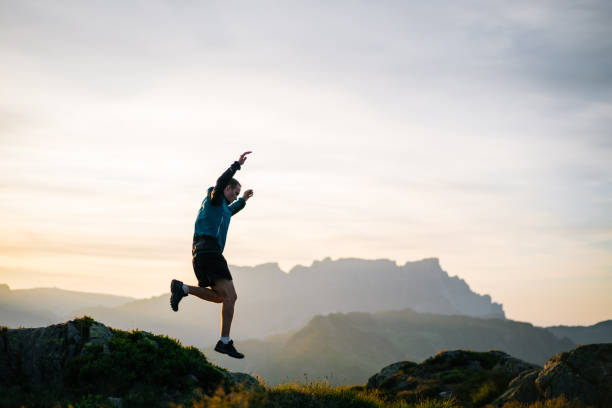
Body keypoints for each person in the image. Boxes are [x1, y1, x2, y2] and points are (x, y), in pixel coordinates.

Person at [170, 151, 254, 359]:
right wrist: (237, 165)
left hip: (201, 253)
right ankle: (224, 342)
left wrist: (242, 200)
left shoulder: (221, 208)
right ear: (227, 188)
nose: (235, 196)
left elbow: (231, 211)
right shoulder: (214, 197)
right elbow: (220, 182)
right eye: (235, 192)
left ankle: (183, 289)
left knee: (221, 298)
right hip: (209, 251)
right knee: (231, 296)